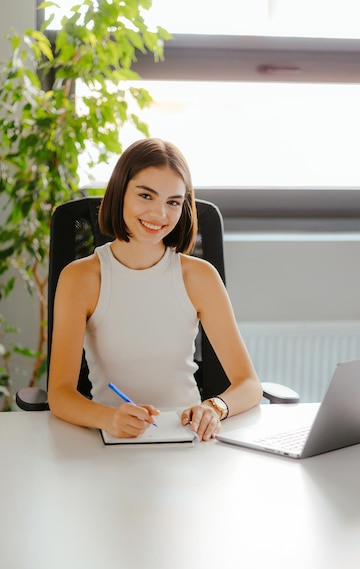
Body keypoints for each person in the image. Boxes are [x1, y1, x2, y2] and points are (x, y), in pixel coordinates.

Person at [48, 138, 262, 441]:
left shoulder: (199, 277)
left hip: (188, 438)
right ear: (120, 193)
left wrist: (215, 407)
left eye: (173, 202)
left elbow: (248, 384)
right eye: (146, 196)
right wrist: (108, 418)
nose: (160, 214)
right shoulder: (81, 278)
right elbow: (59, 393)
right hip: (110, 440)